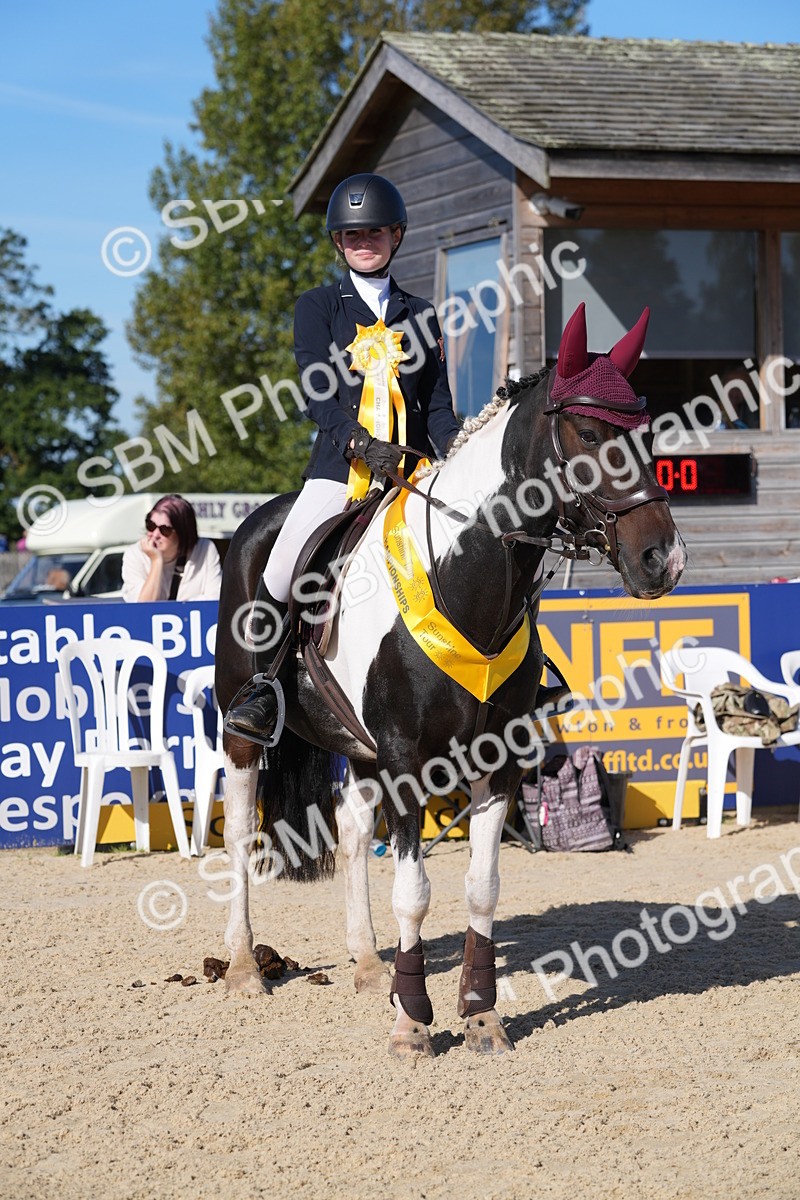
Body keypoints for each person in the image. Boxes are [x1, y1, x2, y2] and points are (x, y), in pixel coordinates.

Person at [226, 172, 461, 743]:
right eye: (352, 234)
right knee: (281, 568)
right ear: (338, 241)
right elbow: (317, 394)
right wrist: (360, 444)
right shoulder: (319, 307)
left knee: (482, 539)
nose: (363, 241)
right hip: (342, 469)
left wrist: (455, 458)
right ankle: (265, 687)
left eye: (374, 231)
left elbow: (437, 405)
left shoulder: (422, 314)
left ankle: (523, 668)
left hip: (413, 471)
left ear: (396, 235)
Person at [121, 494, 221, 602]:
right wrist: (156, 560)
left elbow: (215, 601)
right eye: (151, 525)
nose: (155, 535)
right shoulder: (134, 554)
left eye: (165, 530)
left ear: (183, 533)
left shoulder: (205, 549)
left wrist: (178, 608)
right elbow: (143, 607)